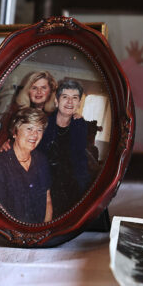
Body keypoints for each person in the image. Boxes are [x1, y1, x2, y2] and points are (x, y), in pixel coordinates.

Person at [0, 107, 53, 223]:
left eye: (39, 130)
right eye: (29, 128)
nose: (35, 135)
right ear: (15, 132)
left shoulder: (42, 160)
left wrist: (44, 230)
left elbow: (47, 200)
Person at [40, 79, 94, 215]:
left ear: (79, 103)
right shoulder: (44, 122)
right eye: (65, 97)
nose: (70, 102)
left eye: (75, 98)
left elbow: (79, 158)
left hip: (71, 180)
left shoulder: (80, 124)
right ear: (57, 101)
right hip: (45, 178)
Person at [0, 70, 58, 151]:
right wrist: (3, 143)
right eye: (34, 88)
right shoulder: (17, 110)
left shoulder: (56, 114)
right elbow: (4, 135)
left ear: (50, 91)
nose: (39, 92)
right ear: (28, 91)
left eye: (43, 88)